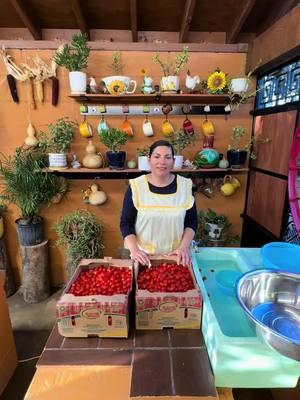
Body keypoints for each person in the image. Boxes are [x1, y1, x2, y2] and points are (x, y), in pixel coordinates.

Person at [120, 140, 197, 266]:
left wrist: (183, 248)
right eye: (157, 156)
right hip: (143, 257)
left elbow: (191, 222)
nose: (162, 162)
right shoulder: (136, 186)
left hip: (175, 257)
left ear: (173, 162)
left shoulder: (185, 185)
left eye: (167, 157)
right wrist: (135, 251)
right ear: (149, 160)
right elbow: (126, 223)